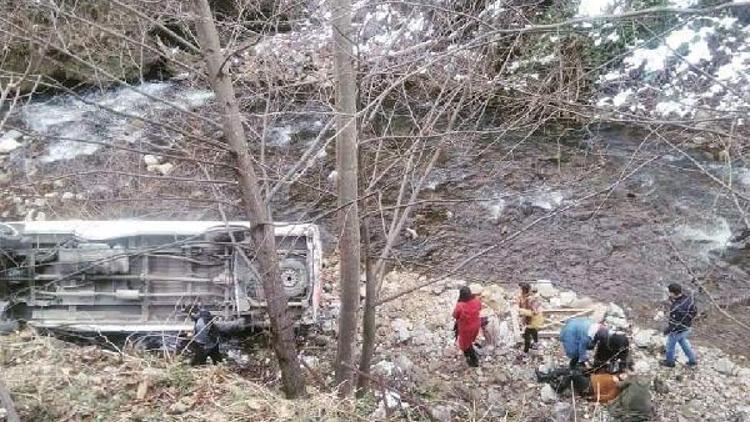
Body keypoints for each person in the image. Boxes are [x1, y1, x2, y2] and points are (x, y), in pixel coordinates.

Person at [660, 283, 698, 368]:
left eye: (670, 292)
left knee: (670, 345)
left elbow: (674, 323)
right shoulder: (688, 299)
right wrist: (687, 320)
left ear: (673, 293)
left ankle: (670, 362)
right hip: (687, 327)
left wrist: (667, 331)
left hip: (678, 330)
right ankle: (692, 360)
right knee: (683, 342)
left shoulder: (677, 307)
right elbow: (695, 311)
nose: (669, 294)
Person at [453, 285, 482, 367]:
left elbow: (455, 315)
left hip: (466, 328)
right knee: (470, 340)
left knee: (465, 345)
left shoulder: (460, 305)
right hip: (476, 325)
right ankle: (472, 351)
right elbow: (479, 308)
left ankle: (473, 360)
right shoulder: (476, 301)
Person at [518, 282, 543, 354]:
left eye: (520, 290)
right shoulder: (531, 297)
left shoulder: (530, 300)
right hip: (536, 320)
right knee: (533, 331)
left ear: (524, 290)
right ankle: (536, 343)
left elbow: (534, 313)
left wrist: (522, 311)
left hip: (533, 320)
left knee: (527, 335)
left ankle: (526, 351)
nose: (519, 291)